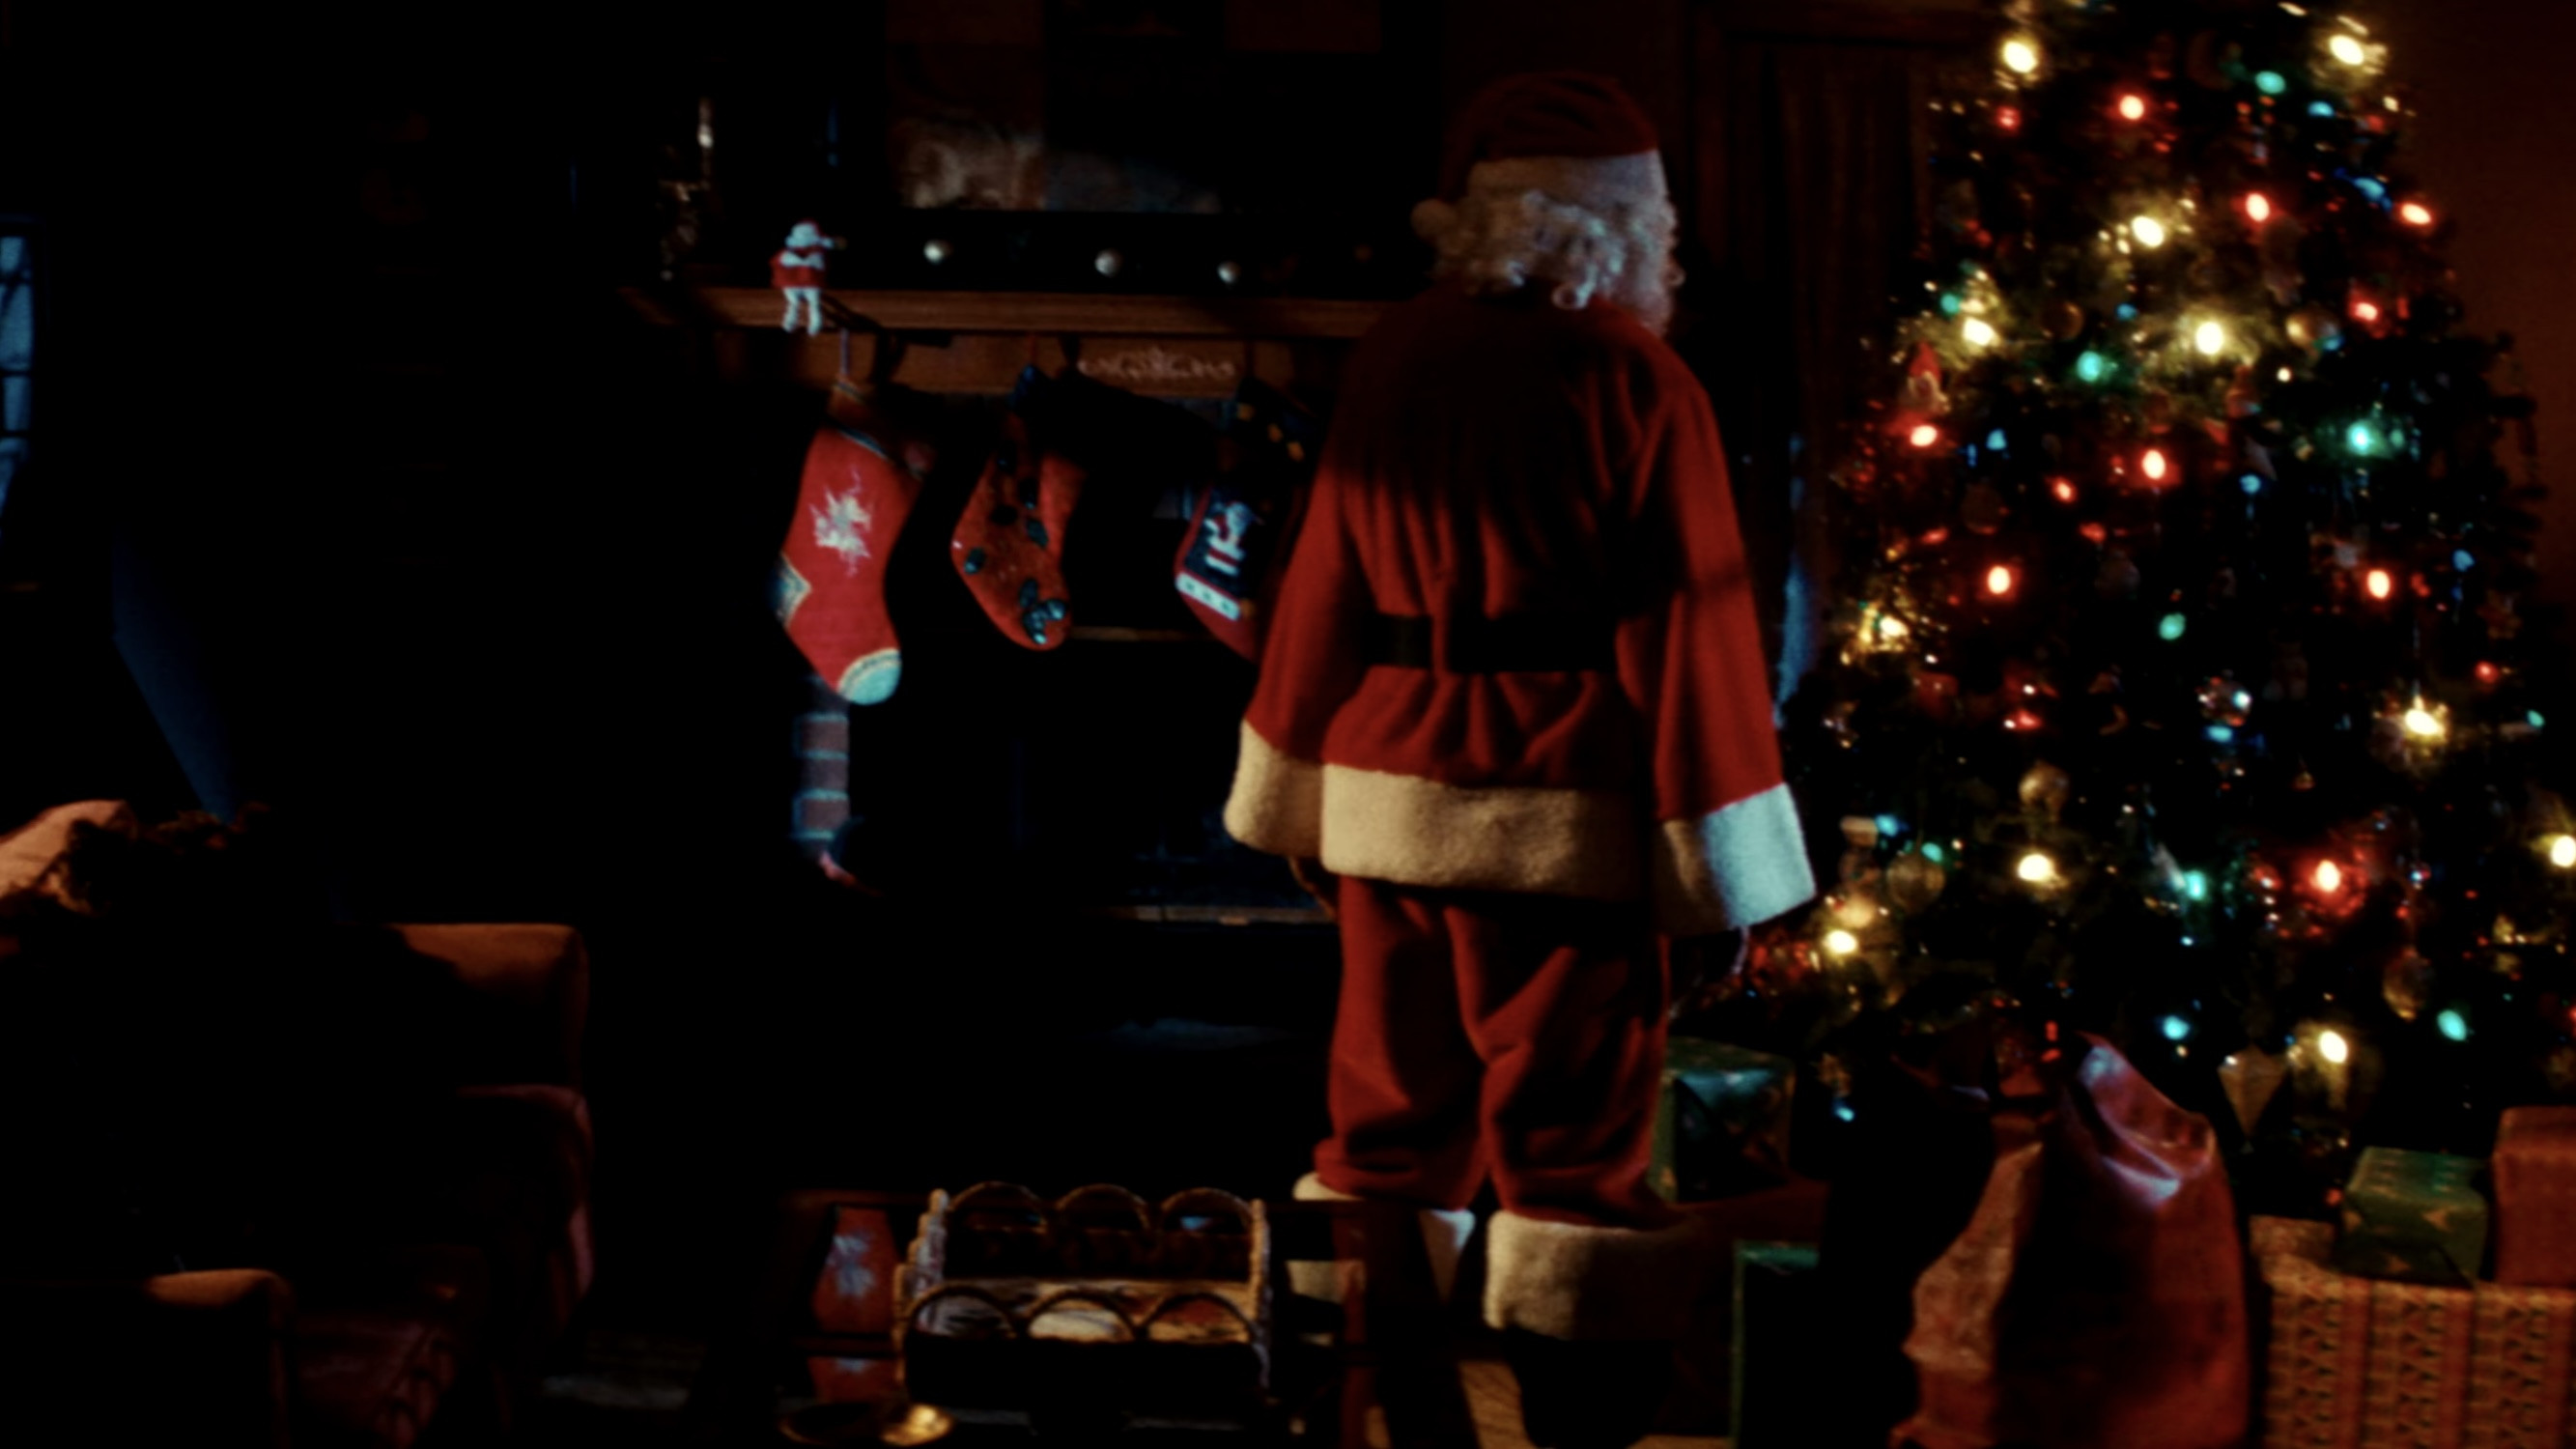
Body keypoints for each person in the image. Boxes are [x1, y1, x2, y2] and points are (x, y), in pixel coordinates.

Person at [1222, 71, 1815, 1449]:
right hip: (1568, 816)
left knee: (1381, 1130)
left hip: (1385, 794)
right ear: (1626, 230)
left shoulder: (1392, 354)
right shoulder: (1639, 379)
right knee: (1572, 1154)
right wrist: (1720, 874)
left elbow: (1320, 582)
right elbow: (1695, 629)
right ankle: (1573, 1425)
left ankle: (1364, 1405)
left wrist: (1295, 789)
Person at [771, 218, 842, 335]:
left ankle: (813, 325)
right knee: (795, 303)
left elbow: (823, 262)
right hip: (794, 283)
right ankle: (791, 324)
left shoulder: (817, 253)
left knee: (811, 303)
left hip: (809, 283)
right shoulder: (789, 253)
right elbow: (777, 262)